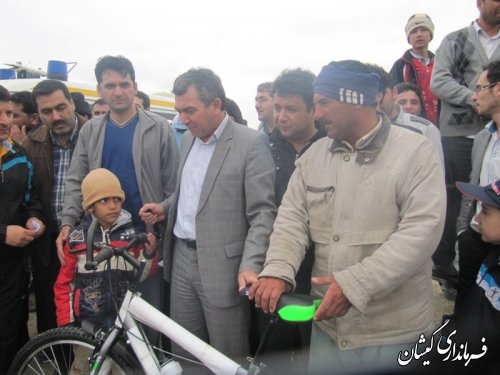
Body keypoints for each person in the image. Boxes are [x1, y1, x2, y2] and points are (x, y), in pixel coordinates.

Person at [249, 60, 446, 374]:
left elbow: (422, 231)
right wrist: (278, 270)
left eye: (324, 103)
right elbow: (291, 220)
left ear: (357, 101)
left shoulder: (416, 152)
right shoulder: (313, 157)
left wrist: (355, 285)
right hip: (328, 326)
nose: (317, 114)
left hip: (392, 333)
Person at [140, 67, 276, 362]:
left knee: (227, 358)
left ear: (216, 105)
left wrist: (251, 263)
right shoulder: (188, 139)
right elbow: (192, 193)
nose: (183, 119)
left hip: (223, 269)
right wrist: (164, 207)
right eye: (179, 111)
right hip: (181, 261)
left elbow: (263, 213)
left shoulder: (250, 143)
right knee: (186, 352)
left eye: (190, 111)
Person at [56, 55, 179, 345]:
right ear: (100, 89)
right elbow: (76, 182)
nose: (118, 91)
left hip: (144, 242)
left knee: (146, 322)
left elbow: (176, 186)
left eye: (124, 84)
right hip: (100, 241)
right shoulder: (91, 131)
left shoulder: (159, 128)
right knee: (99, 319)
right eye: (110, 85)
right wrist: (66, 224)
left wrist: (162, 210)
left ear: (135, 86)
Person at [430, 0, 500, 289]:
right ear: (480, 3)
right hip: (459, 133)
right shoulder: (455, 39)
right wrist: (477, 96)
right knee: (457, 199)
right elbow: (439, 81)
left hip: (494, 130)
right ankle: (448, 268)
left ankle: (488, 274)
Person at [262, 67, 326, 372]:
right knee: (271, 353)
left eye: (291, 109)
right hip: (273, 269)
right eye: (277, 108)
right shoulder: (263, 149)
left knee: (311, 351)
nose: (281, 116)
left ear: (314, 109)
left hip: (319, 273)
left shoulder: (332, 148)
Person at [54, 168, 157, 329]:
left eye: (117, 199)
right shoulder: (77, 239)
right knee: (97, 355)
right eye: (104, 201)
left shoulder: (130, 235)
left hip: (125, 320)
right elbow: (65, 284)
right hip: (89, 322)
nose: (112, 206)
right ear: (90, 206)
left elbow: (140, 276)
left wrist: (149, 255)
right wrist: (66, 321)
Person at [22, 79, 82, 335]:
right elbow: (27, 195)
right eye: (47, 111)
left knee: (88, 307)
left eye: (60, 107)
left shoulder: (93, 137)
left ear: (72, 103)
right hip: (47, 243)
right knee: (50, 311)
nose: (56, 116)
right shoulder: (30, 144)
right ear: (38, 113)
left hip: (85, 239)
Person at [0, 85, 45, 372]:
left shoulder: (19, 155)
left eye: (8, 113)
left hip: (11, 269)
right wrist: (3, 233)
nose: (5, 121)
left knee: (9, 336)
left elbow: (32, 200)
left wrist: (33, 220)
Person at [455, 60, 500, 313]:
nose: (475, 96)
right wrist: (464, 229)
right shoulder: (483, 137)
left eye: (480, 88)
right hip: (476, 237)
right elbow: (473, 182)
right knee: (466, 306)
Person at [370, 64, 444, 169]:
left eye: (382, 94)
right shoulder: (361, 130)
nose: (377, 100)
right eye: (371, 95)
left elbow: (436, 172)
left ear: (394, 92)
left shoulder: (425, 129)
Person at [390, 13, 439, 125]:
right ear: (408, 37)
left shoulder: (441, 63)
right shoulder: (401, 65)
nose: (419, 35)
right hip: (413, 123)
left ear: (430, 34)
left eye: (423, 30)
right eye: (413, 31)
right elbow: (392, 96)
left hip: (442, 123)